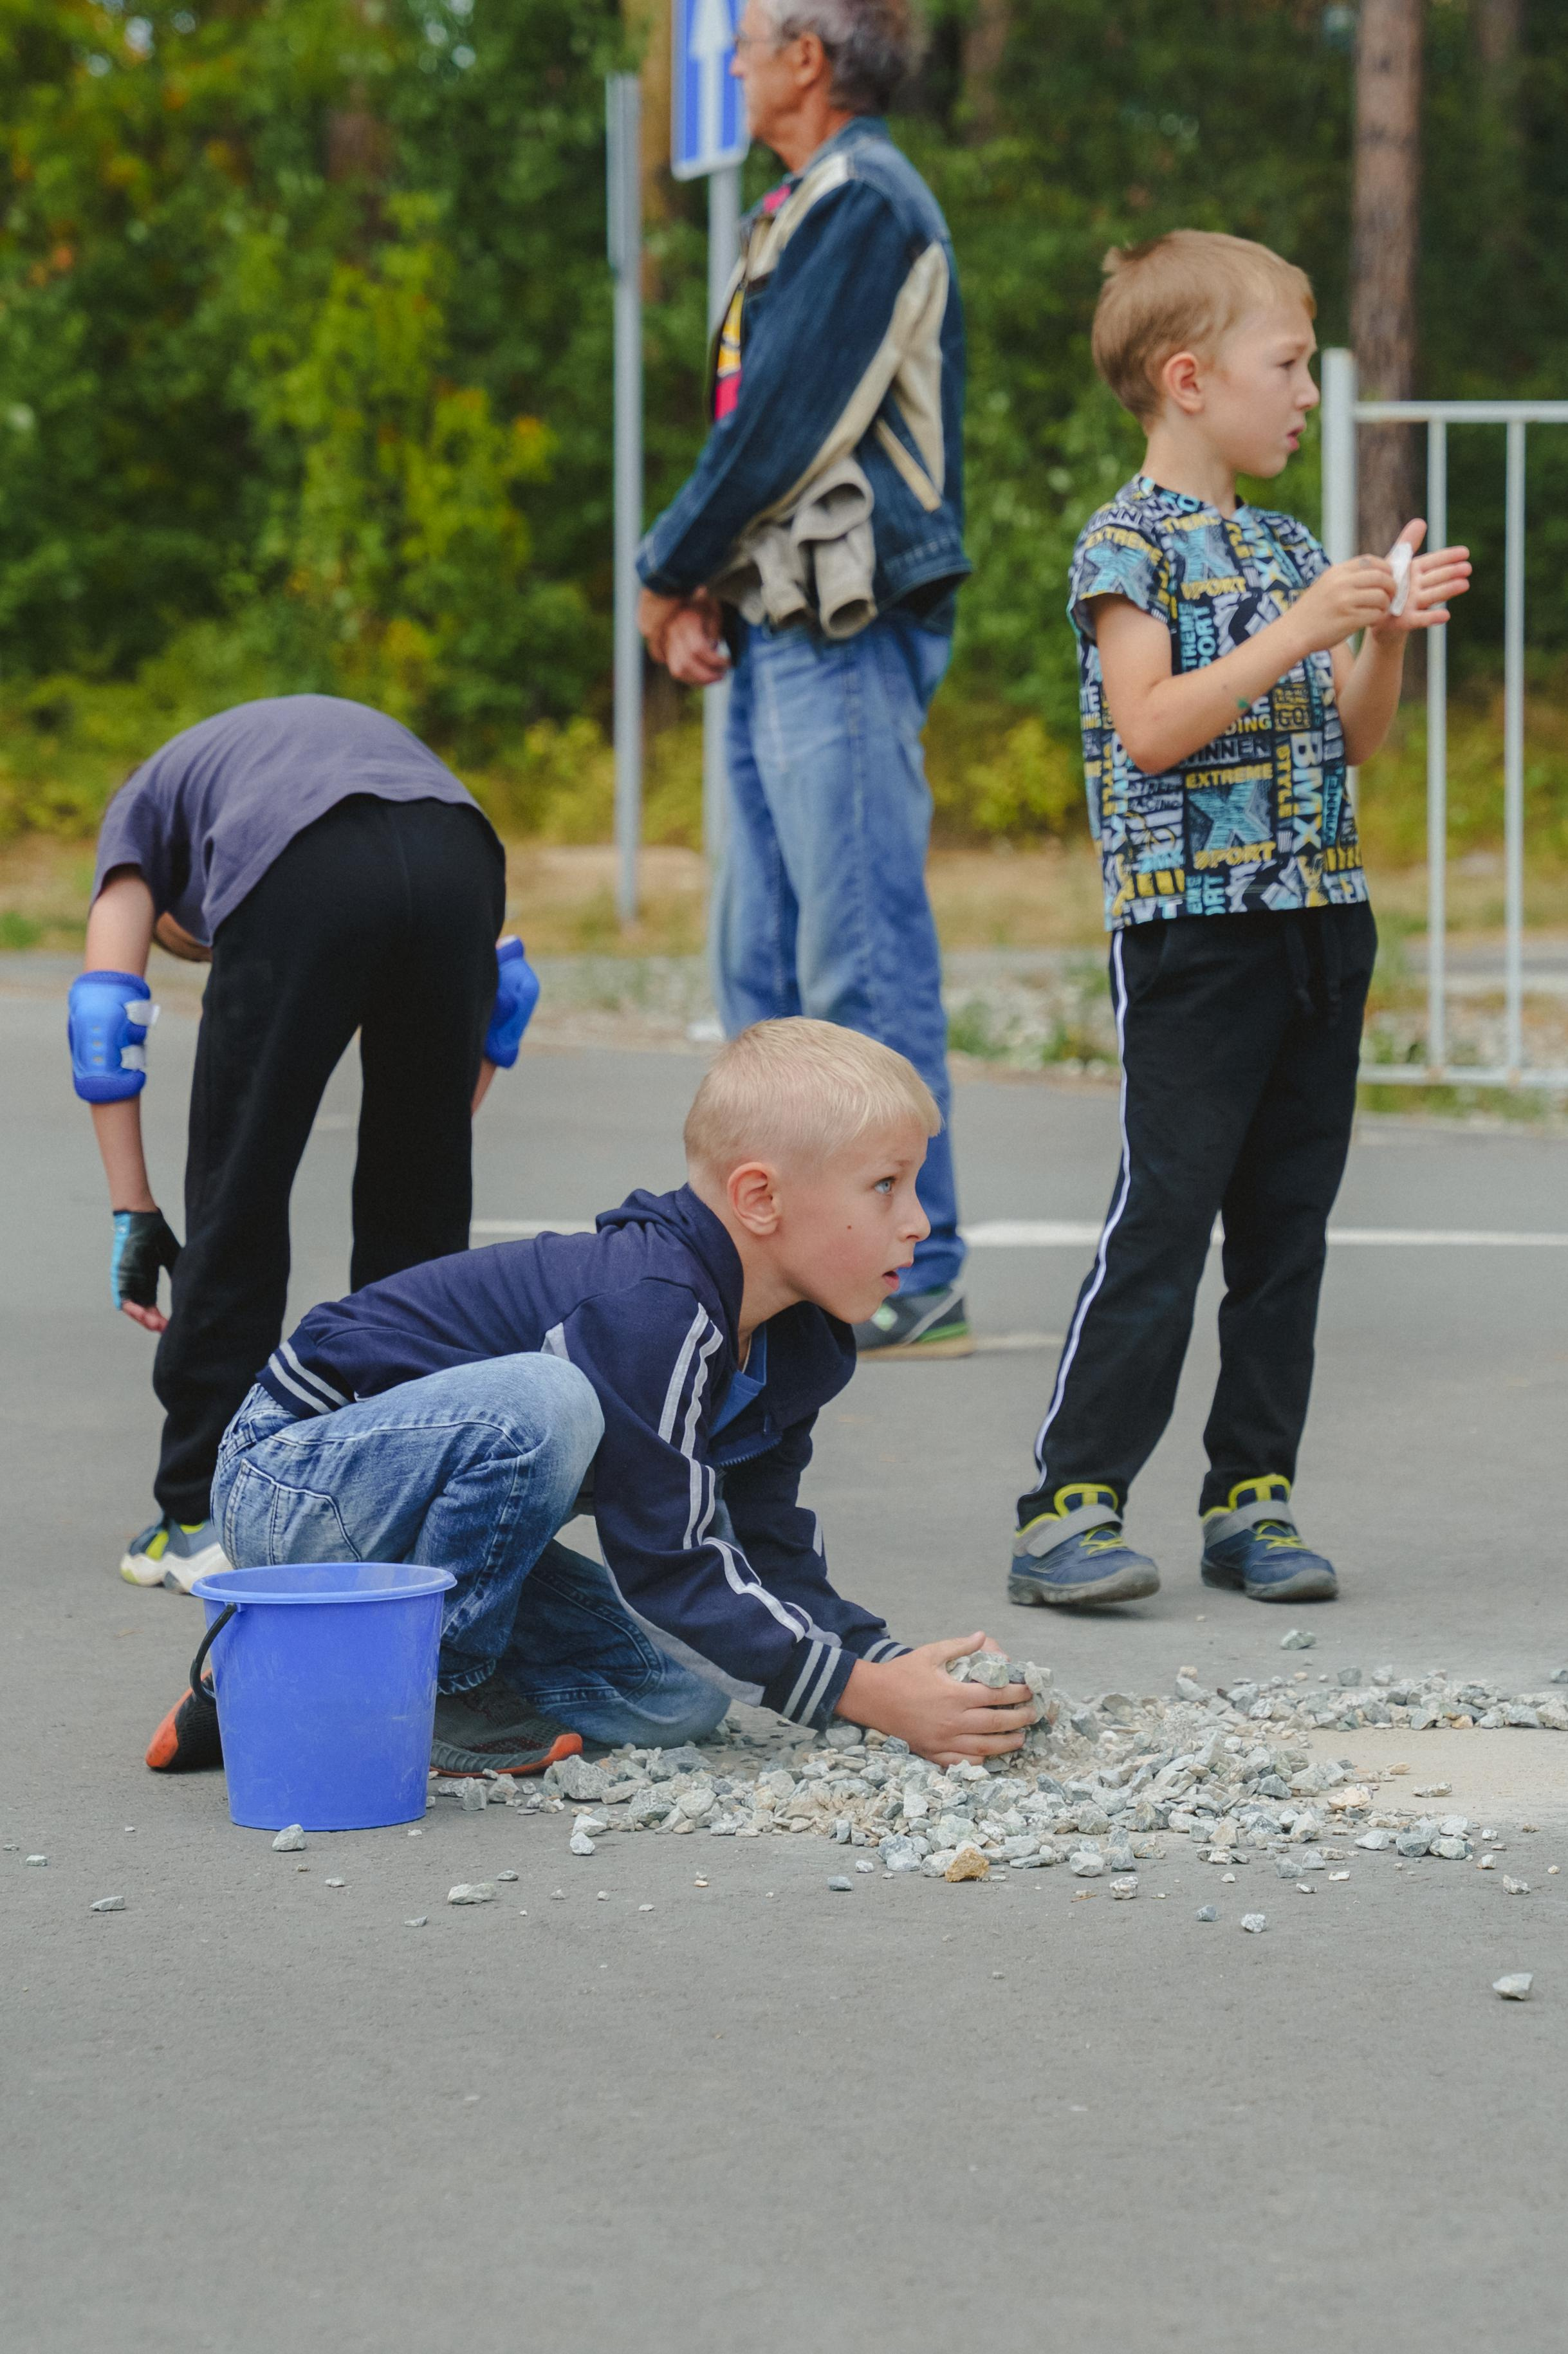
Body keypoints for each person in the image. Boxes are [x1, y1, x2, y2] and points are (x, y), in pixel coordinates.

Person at [146, 1021, 1035, 1776]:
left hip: (429, 1533)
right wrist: (865, 1698)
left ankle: (278, 1680)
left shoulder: (799, 1341)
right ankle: (435, 1690)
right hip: (294, 1477)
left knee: (678, 1702)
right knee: (550, 1401)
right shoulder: (651, 1307)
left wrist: (883, 1663)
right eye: (886, 1185)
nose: (918, 1219)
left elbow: (757, 1546)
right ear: (759, 1198)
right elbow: (669, 1558)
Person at [1006, 230, 1471, 1611]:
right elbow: (1150, 726)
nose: (1307, 394)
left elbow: (1351, 737)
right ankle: (1069, 1501)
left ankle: (1250, 1494)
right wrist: (1299, 627)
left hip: (1321, 921)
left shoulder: (1283, 545)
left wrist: (1377, 631)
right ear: (1188, 378)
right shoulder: (1124, 545)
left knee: (1287, 1226)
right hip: (1192, 935)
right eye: (1288, 366)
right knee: (1167, 1210)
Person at [636, 0, 973, 1360]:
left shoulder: (866, 202)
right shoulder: (801, 204)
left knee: (858, 952)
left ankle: (922, 1256)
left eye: (748, 40)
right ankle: (782, 1265)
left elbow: (782, 427)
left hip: (846, 627)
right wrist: (709, 583)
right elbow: (758, 430)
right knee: (762, 961)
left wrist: (666, 567)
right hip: (779, 619)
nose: (728, 61)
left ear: (807, 60)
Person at [71, 693, 537, 1593]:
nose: (205, 947)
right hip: (459, 847)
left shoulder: (140, 812)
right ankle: (413, 1502)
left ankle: (201, 1515)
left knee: (235, 1202)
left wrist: (136, 1209)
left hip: (301, 862)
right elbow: (504, 1000)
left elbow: (103, 1019)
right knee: (420, 1211)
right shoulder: (282, 743)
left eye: (195, 943)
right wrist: (429, 1134)